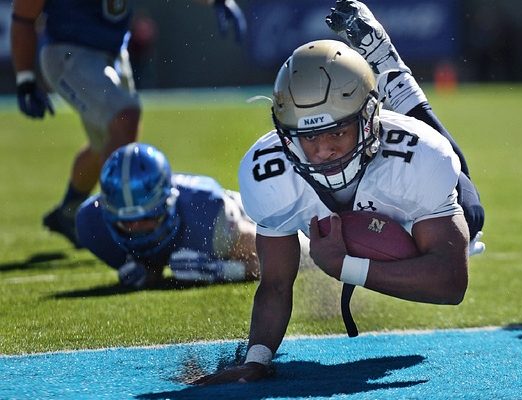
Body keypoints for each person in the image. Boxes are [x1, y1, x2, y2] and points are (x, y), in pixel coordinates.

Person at [191, 0, 485, 384]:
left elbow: (450, 282)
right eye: (308, 136)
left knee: (471, 211)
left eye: (337, 132)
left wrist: (345, 267)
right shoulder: (269, 173)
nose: (323, 150)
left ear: (367, 121)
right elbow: (275, 283)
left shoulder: (419, 157)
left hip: (402, 162)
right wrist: (256, 360)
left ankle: (390, 71)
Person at [10, 0, 247, 248]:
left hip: (112, 54)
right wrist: (25, 78)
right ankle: (116, 229)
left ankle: (69, 211)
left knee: (106, 143)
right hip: (68, 51)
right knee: (125, 118)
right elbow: (23, 15)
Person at [75, 142, 260, 288]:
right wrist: (148, 270)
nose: (137, 230)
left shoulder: (208, 214)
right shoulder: (91, 222)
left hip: (249, 212)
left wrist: (220, 270)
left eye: (147, 218)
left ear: (168, 203)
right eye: (126, 223)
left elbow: (268, 260)